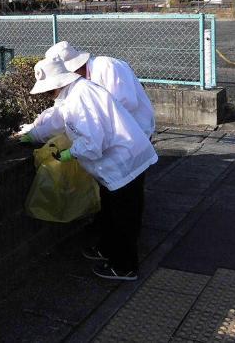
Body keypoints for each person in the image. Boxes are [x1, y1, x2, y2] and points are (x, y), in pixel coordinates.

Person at [27, 57, 158, 280]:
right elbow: (58, 119)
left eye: (48, 90)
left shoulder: (80, 98)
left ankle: (124, 266)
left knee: (123, 216)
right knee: (112, 210)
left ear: (58, 84)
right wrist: (33, 134)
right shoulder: (77, 91)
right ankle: (108, 250)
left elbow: (93, 144)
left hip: (122, 162)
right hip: (123, 159)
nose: (48, 95)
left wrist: (69, 153)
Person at [21, 41, 154, 140]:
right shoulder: (74, 85)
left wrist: (92, 126)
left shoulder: (107, 67)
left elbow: (126, 104)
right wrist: (35, 129)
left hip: (136, 130)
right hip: (110, 139)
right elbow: (61, 112)